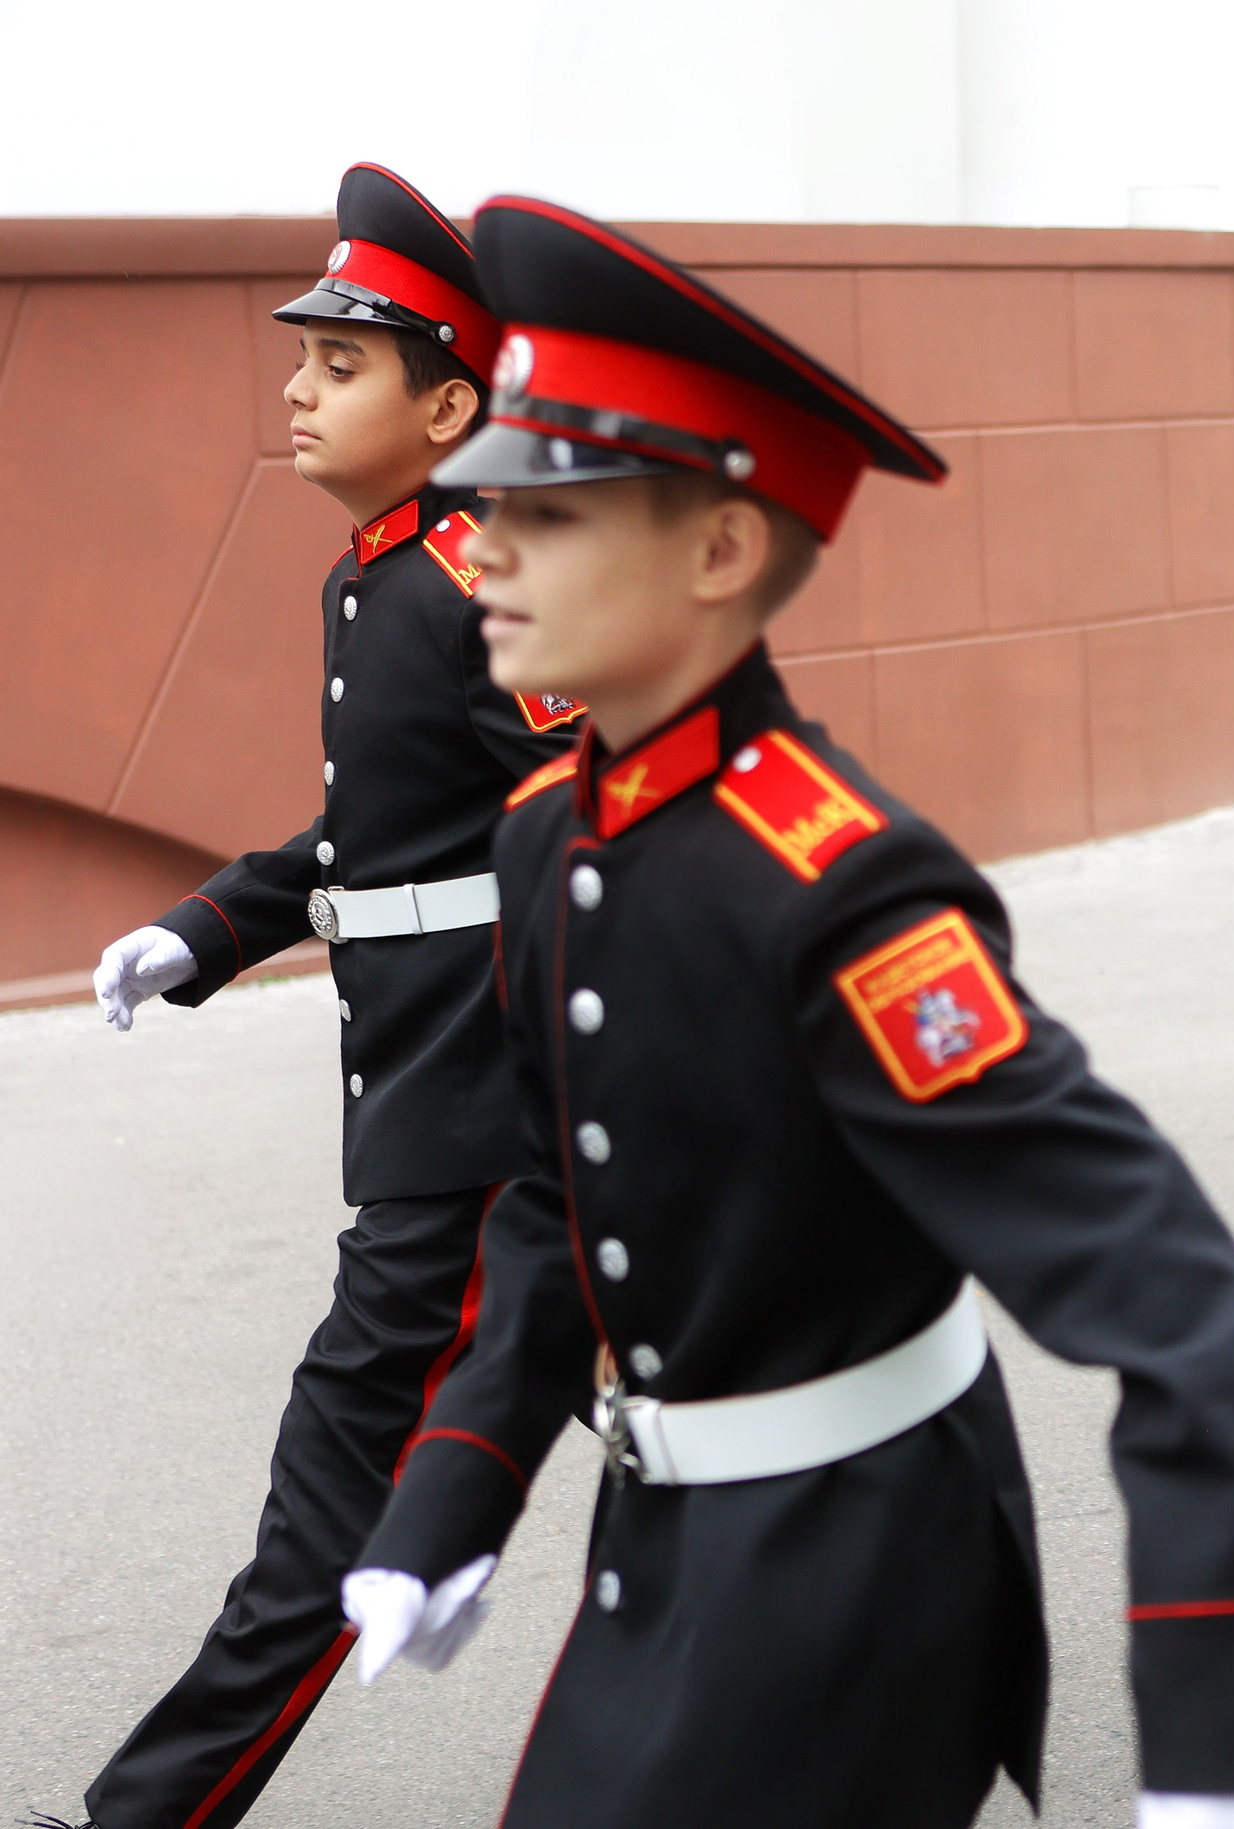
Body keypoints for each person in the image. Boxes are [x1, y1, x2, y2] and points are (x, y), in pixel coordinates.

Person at [331, 193, 1234, 1829]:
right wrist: (454, 1488)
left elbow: (1148, 1272)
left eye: (552, 511)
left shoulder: (842, 886)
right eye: (482, 506)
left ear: (723, 550)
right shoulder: (546, 835)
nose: (485, 550)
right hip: (661, 1550)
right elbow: (548, 1197)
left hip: (860, 1574)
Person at [64, 164, 578, 1829]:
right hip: (436, 1099)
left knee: (341, 1488)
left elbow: (628, 810)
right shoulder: (378, 572)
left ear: (448, 402)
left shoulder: (482, 577)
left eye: (342, 363)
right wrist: (210, 928)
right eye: (302, 354)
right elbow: (376, 834)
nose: (295, 385)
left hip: (493, 1117)